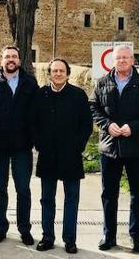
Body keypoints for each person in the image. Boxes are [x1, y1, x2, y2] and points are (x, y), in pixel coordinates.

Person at [91, 45, 139, 253]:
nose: (121, 61)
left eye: (125, 58)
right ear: (113, 61)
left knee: (137, 195)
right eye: (118, 58)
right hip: (109, 148)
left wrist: (134, 127)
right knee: (109, 194)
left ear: (132, 60)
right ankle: (108, 235)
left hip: (136, 147)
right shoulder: (102, 82)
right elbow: (94, 107)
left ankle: (136, 237)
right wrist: (106, 124)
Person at [30, 59, 92, 254]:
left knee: (71, 199)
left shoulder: (78, 95)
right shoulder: (40, 95)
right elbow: (33, 123)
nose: (58, 74)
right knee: (47, 198)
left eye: (61, 71)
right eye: (54, 71)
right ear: (49, 74)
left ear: (67, 73)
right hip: (47, 154)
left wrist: (78, 146)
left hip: (71, 155)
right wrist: (39, 144)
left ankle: (70, 239)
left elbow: (86, 125)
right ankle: (47, 236)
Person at [0, 46, 39, 245]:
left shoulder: (30, 83)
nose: (11, 59)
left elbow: (36, 114)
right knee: (0, 188)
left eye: (14, 56)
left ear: (19, 59)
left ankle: (24, 228)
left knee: (23, 188)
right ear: (1, 60)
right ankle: (1, 226)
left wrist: (33, 139)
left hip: (22, 146)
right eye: (7, 56)